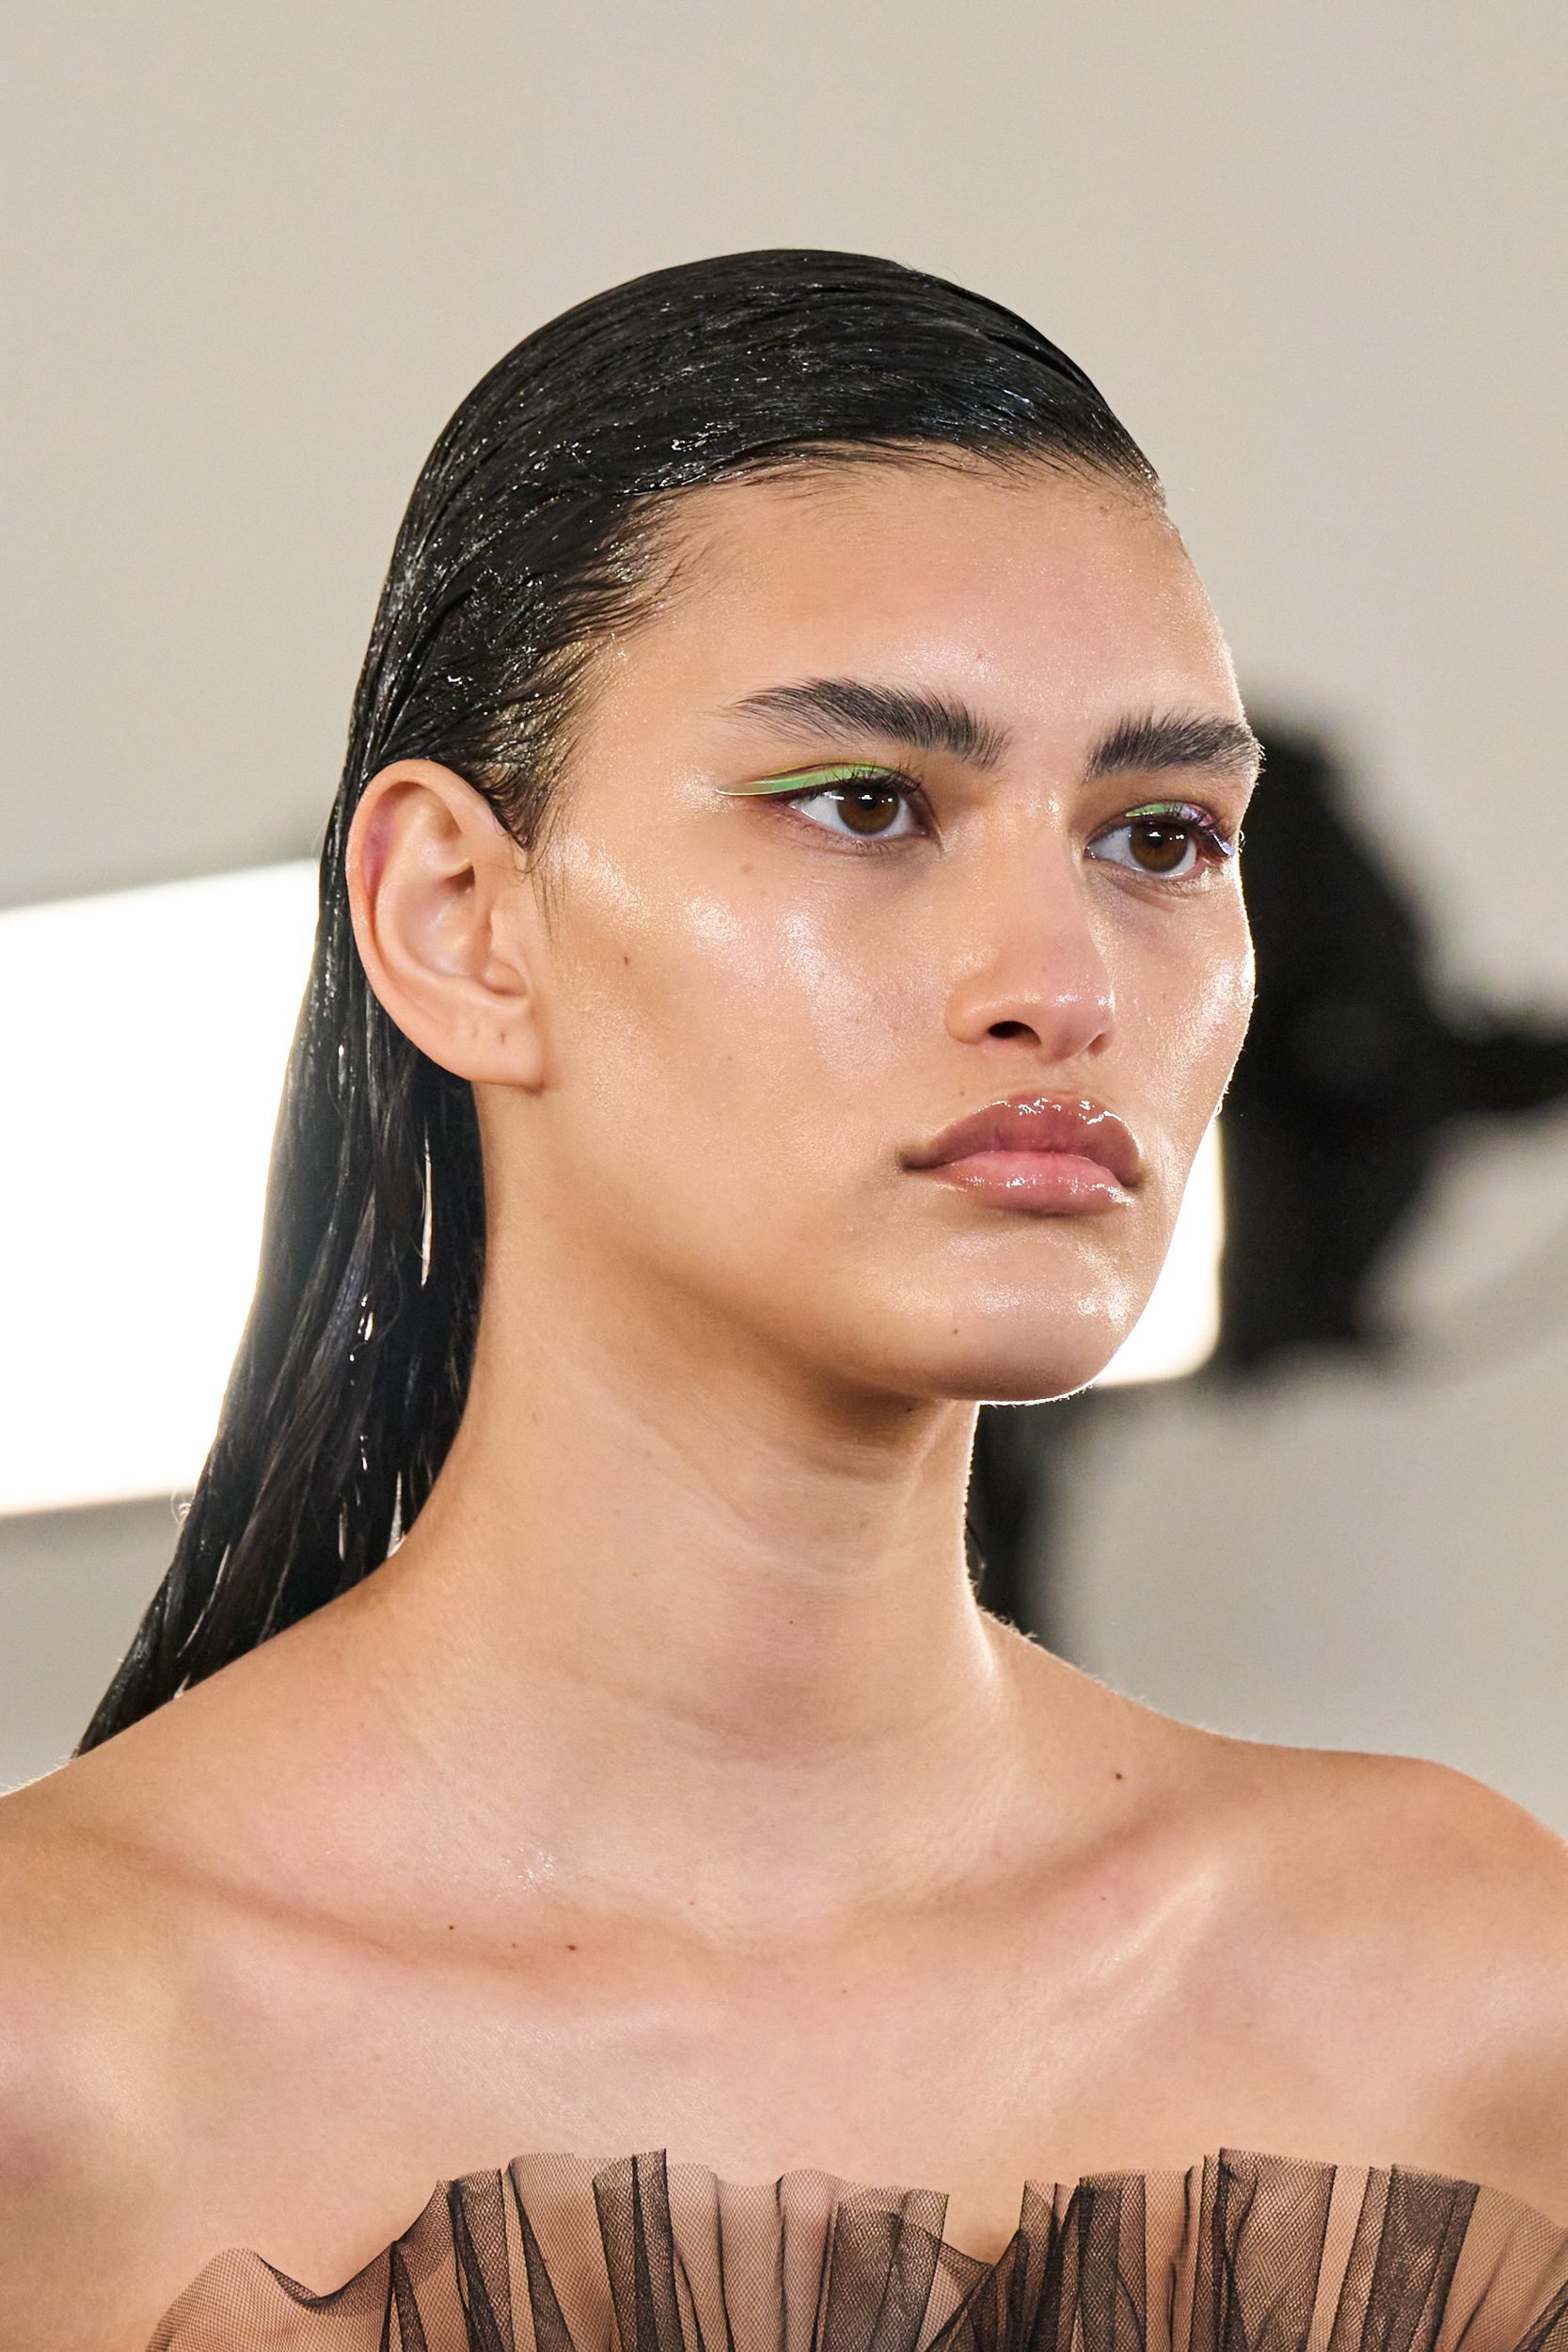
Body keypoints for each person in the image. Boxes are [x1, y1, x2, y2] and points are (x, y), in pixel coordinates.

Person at [2, 252, 1565, 2352]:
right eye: (864, 802)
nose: (1063, 983)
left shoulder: (1473, 1999)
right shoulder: (59, 2057)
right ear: (458, 919)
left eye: (1161, 836)